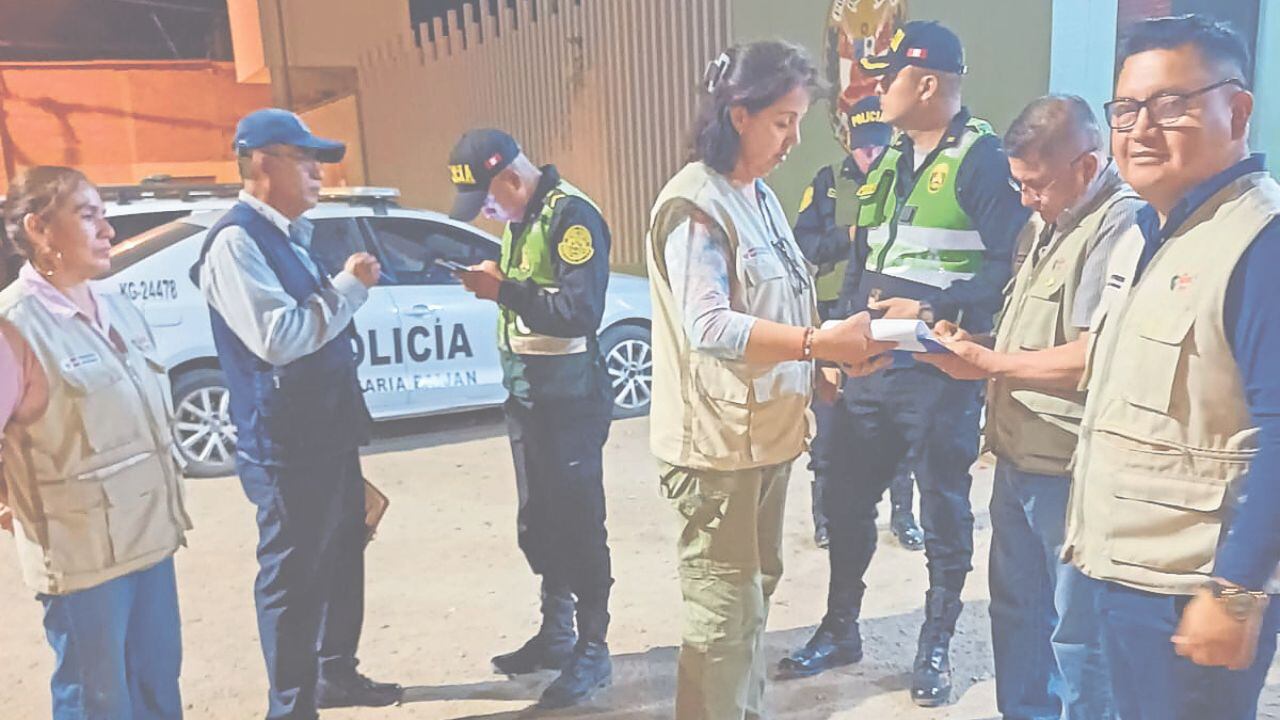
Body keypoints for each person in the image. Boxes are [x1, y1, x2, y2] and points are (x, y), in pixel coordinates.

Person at [779, 21, 1029, 707]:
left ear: (927, 84)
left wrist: (939, 307)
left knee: (945, 514)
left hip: (939, 377)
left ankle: (936, 646)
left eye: (885, 78)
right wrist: (839, 345)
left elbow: (1016, 270)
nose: (874, 88)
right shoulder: (888, 157)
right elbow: (867, 262)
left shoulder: (983, 161)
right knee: (847, 500)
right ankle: (841, 628)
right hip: (873, 369)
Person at [647, 41, 891, 720]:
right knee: (723, 613)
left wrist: (817, 370)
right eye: (782, 121)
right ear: (738, 114)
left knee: (753, 595)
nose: (793, 139)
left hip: (766, 437)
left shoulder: (755, 194)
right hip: (717, 451)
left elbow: (777, 298)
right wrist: (815, 343)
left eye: (797, 123)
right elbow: (711, 326)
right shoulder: (698, 205)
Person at [1058, 15, 1280, 720]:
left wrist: (1237, 588)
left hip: (1194, 586)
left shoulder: (1259, 244)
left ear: (1237, 110)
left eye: (1172, 105)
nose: (1141, 129)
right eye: (1126, 109)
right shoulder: (1145, 230)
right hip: (1125, 567)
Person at [920, 95, 1140, 720]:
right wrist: (974, 351)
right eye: (1018, 183)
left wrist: (994, 365)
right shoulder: (1049, 220)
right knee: (1016, 614)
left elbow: (1094, 357)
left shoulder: (1120, 226)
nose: (1024, 199)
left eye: (1035, 184)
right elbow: (1032, 340)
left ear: (1086, 164)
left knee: (1077, 634)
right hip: (1019, 455)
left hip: (1069, 467)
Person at [193, 109, 400, 719]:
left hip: (325, 435)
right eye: (303, 159)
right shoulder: (236, 242)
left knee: (340, 555)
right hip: (285, 446)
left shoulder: (286, 235)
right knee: (293, 578)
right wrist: (348, 286)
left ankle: (336, 674)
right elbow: (278, 337)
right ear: (262, 163)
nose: (317, 172)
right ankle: (290, 706)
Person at [0, 166, 189, 719]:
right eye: (88, 216)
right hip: (83, 564)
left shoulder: (118, 307)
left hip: (149, 544)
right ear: (40, 229)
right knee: (98, 702)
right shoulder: (15, 326)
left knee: (157, 692)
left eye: (104, 215)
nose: (107, 230)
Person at [446, 128, 616, 709]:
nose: (488, 214)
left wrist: (503, 291)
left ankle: (593, 649)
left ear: (512, 179)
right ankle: (557, 632)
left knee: (579, 524)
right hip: (528, 398)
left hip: (570, 402)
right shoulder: (526, 218)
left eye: (488, 201)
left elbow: (578, 310)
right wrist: (501, 282)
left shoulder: (572, 219)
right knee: (538, 523)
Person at [793, 95, 923, 552]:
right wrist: (850, 236)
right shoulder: (827, 184)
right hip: (833, 318)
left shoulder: (907, 182)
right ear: (849, 141)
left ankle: (904, 515)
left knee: (896, 421)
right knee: (829, 422)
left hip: (886, 319)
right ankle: (826, 517)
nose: (869, 155)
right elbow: (804, 243)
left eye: (877, 146)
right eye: (862, 146)